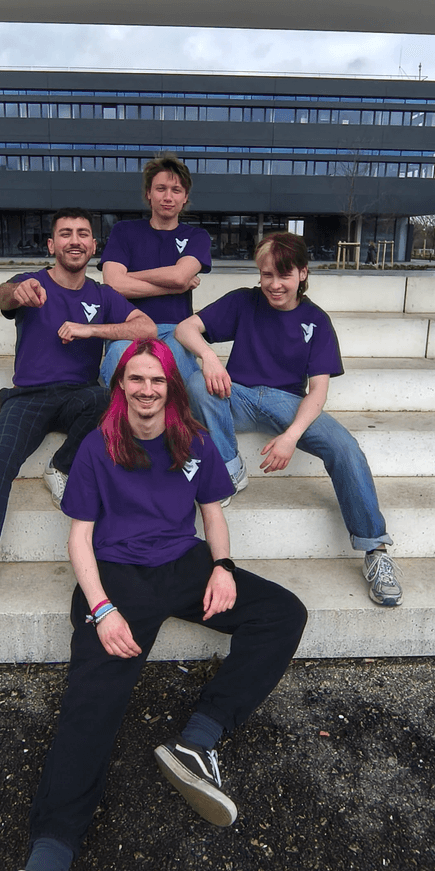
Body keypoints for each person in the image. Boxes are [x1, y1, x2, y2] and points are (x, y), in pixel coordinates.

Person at [0, 339, 307, 871]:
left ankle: (198, 740)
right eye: (135, 379)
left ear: (170, 387)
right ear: (122, 386)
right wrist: (102, 608)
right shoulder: (99, 446)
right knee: (91, 707)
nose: (146, 390)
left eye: (156, 380)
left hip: (184, 567)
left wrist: (223, 567)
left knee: (283, 613)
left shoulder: (191, 440)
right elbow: (79, 538)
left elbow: (212, 512)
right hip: (117, 579)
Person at [0, 208, 155, 607]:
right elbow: (1, 294)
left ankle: (61, 466)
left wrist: (92, 329)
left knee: (107, 396)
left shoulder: (102, 295)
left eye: (83, 234)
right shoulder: (30, 284)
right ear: (52, 245)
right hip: (29, 397)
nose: (75, 240)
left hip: (79, 396)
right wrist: (12, 293)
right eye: (65, 234)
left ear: (93, 246)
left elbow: (146, 328)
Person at [175, 231, 403, 607]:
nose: (274, 284)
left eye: (284, 275)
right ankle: (231, 467)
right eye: (266, 275)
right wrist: (210, 356)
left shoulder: (316, 320)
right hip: (239, 397)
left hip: (289, 405)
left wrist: (291, 436)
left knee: (346, 448)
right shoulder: (244, 302)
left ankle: (375, 550)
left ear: (302, 274)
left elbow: (317, 391)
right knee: (199, 383)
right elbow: (186, 328)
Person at [98, 153, 212, 386]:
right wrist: (174, 287)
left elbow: (180, 275)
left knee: (185, 379)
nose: (168, 197)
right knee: (118, 360)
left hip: (176, 330)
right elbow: (114, 286)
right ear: (149, 194)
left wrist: (129, 276)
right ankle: (114, 421)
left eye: (176, 190)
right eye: (161, 189)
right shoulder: (124, 231)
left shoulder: (196, 236)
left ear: (185, 197)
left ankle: (179, 423)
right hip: (129, 327)